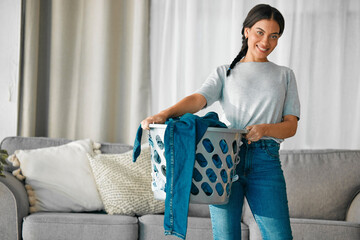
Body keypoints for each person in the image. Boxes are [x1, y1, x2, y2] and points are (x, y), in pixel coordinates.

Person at [141, 4, 299, 240]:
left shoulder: (284, 75)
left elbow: (291, 126)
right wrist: (164, 114)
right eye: (260, 32)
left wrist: (265, 129)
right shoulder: (225, 72)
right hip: (223, 161)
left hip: (266, 161)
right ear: (246, 31)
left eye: (273, 35)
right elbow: (198, 99)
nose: (266, 41)